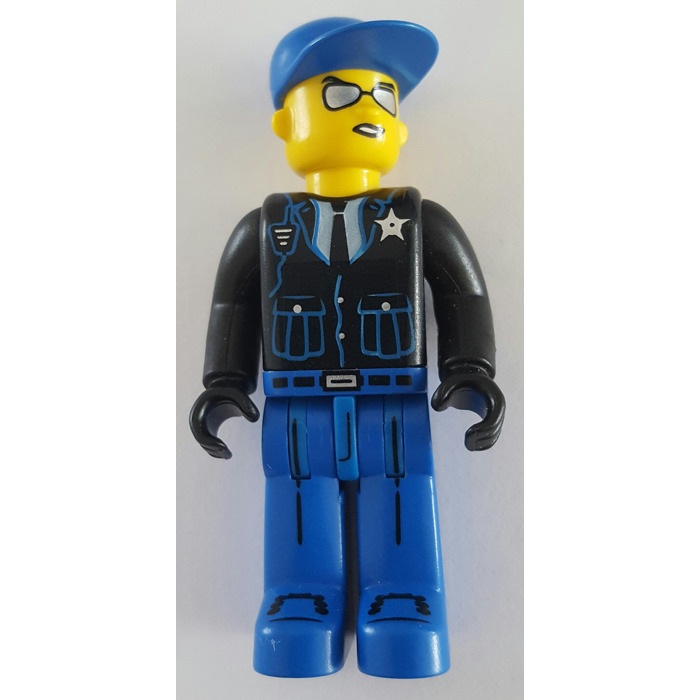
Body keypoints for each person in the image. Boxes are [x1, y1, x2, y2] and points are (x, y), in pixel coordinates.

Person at [190, 17, 505, 678]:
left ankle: (407, 593)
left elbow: (463, 297)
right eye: (339, 94)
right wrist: (224, 381)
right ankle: (298, 594)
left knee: (402, 483)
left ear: (400, 129)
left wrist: (470, 369)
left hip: (394, 397)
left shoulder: (419, 220)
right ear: (287, 123)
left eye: (383, 97)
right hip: (294, 400)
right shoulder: (265, 229)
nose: (366, 109)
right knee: (297, 487)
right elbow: (232, 307)